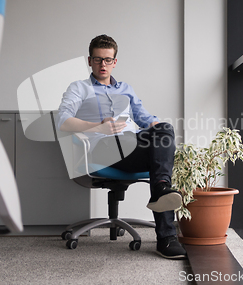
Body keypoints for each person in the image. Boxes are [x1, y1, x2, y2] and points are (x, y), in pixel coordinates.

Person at [56, 34, 187, 259]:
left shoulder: (126, 89)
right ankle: (167, 236)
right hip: (102, 148)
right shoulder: (79, 88)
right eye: (98, 59)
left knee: (164, 131)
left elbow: (146, 119)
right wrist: (98, 127)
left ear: (115, 62)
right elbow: (63, 121)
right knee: (137, 143)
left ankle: (163, 200)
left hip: (131, 145)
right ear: (89, 61)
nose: (103, 64)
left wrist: (165, 137)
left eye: (108, 60)